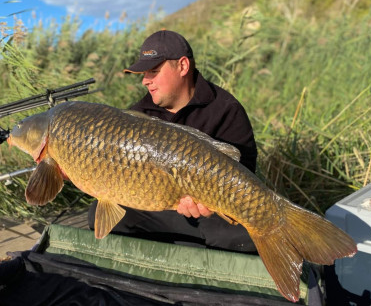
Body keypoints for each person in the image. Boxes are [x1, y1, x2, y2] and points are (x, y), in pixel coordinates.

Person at [88, 30, 258, 253]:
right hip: (158, 207)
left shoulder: (226, 109)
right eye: (144, 73)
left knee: (237, 234)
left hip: (213, 214)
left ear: (183, 66)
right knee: (98, 215)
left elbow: (244, 178)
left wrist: (210, 204)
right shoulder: (137, 115)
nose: (145, 81)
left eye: (154, 72)